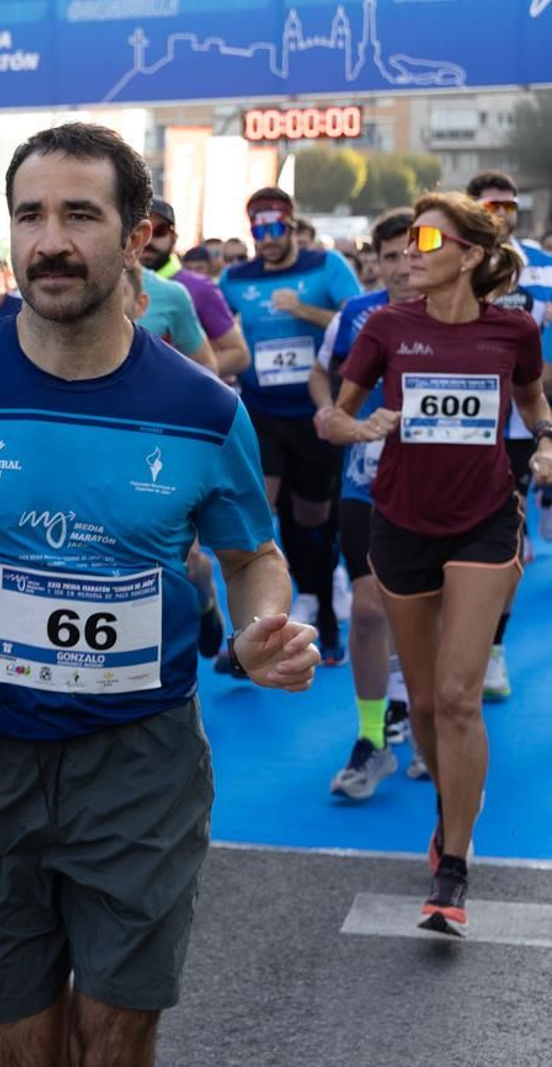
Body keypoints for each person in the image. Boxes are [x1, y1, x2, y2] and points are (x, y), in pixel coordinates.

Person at [0, 121, 319, 1067]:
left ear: (136, 236)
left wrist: (266, 621)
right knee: (14, 1048)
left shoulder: (202, 408)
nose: (49, 240)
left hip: (141, 763)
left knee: (115, 1037)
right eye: (30, 215)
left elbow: (252, 552)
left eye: (80, 215)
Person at [326, 191, 552, 937]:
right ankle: (446, 807)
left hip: (486, 518)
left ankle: (454, 865)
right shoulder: (386, 326)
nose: (411, 251)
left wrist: (546, 443)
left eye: (428, 238)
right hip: (401, 523)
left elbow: (533, 403)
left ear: (472, 255)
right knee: (421, 706)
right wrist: (360, 424)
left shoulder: (514, 329)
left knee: (458, 696)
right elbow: (332, 414)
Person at [220, 187, 363, 668]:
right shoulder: (236, 278)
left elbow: (361, 324)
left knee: (312, 519)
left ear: (291, 223)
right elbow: (213, 330)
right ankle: (246, 634)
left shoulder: (326, 267)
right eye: (259, 230)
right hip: (260, 413)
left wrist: (304, 311)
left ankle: (321, 604)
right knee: (257, 517)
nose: (268, 238)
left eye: (276, 227)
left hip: (316, 414)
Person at [311, 208, 418, 800]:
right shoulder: (357, 315)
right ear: (375, 261)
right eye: (392, 256)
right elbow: (321, 375)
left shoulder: (465, 318)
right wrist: (331, 412)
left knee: (423, 614)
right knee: (372, 610)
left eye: (413, 252)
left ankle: (420, 718)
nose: (404, 266)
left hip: (439, 494)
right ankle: (373, 738)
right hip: (363, 485)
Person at [467, 169, 552, 698]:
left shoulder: (541, 270)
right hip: (453, 426)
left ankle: (493, 649)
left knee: (509, 540)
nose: (501, 215)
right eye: (490, 206)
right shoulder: (456, 262)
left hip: (517, 427)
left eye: (509, 206)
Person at [142, 198, 250, 377]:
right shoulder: (111, 284)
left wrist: (180, 381)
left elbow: (239, 354)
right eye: (141, 228)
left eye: (159, 231)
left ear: (174, 238)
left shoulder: (198, 288)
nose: (149, 240)